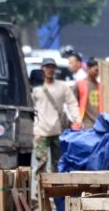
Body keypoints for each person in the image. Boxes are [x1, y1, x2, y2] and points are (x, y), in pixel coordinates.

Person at [31, 58, 81, 199]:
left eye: (52, 67)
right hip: (40, 131)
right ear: (42, 68)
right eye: (47, 67)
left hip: (57, 131)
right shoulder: (36, 88)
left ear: (55, 69)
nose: (50, 70)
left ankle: (55, 193)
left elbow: (72, 103)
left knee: (57, 163)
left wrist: (77, 118)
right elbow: (30, 106)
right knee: (41, 163)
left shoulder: (62, 87)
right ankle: (39, 192)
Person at [74, 58, 102, 129]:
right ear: (88, 68)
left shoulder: (100, 86)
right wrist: (77, 118)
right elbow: (73, 103)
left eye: (98, 71)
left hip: (98, 123)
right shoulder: (79, 84)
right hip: (84, 123)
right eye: (96, 70)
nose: (97, 73)